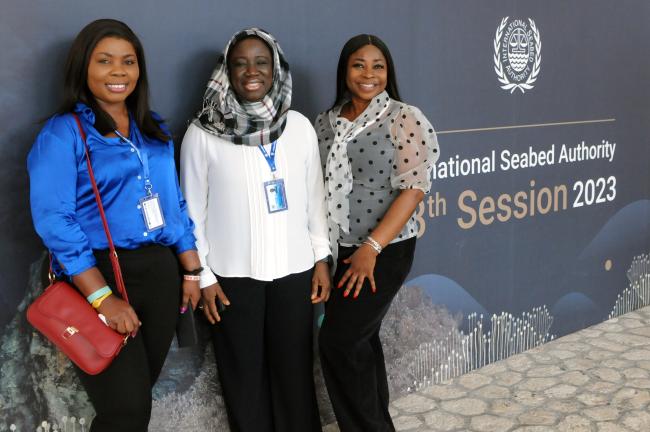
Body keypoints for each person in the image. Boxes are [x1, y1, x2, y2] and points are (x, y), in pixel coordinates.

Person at [27, 19, 202, 432]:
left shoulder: (154, 129)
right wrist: (103, 298)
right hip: (99, 274)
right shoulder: (63, 133)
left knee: (138, 401)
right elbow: (54, 219)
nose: (118, 71)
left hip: (159, 275)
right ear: (83, 68)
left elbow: (172, 204)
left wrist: (192, 269)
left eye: (128, 61)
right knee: (125, 410)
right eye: (104, 61)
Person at [180, 28, 330, 432]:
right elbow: (191, 213)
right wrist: (205, 276)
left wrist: (320, 259)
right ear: (226, 70)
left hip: (294, 272)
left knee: (295, 374)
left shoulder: (298, 127)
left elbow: (314, 199)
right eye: (240, 62)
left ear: (275, 68)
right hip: (231, 279)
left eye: (261, 62)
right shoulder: (203, 133)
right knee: (243, 379)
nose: (251, 71)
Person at [315, 34, 440, 432]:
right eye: (358, 65)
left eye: (378, 66)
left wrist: (372, 247)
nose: (368, 74)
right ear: (344, 70)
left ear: (389, 73)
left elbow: (414, 188)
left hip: (383, 251)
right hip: (340, 249)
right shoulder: (326, 122)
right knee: (361, 341)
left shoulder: (404, 117)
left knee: (340, 342)